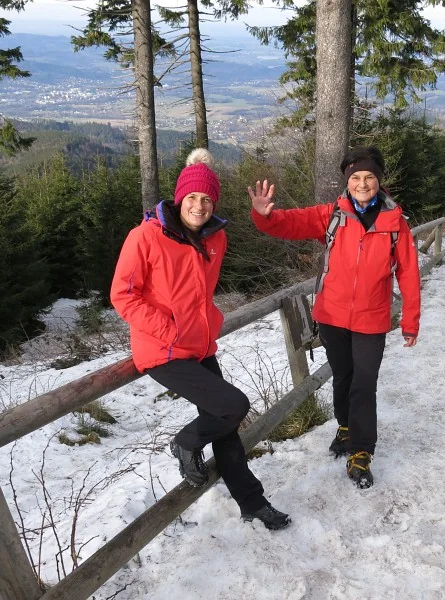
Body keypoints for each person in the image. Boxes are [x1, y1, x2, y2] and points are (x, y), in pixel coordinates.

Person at [111, 149, 291, 530]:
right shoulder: (146, 236)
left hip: (198, 344)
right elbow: (123, 295)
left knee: (225, 425)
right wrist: (169, 330)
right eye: (192, 197)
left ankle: (252, 502)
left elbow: (199, 294)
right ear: (179, 198)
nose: (199, 206)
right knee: (234, 406)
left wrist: (207, 322)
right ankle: (186, 442)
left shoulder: (215, 238)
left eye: (207, 199)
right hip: (163, 349)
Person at [248, 146, 421, 489]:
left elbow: (409, 273)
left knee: (364, 382)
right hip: (332, 316)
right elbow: (289, 224)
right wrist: (264, 216)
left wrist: (410, 320)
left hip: (372, 319)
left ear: (379, 181)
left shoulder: (395, 223)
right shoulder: (332, 215)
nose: (362, 184)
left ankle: (361, 450)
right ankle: (345, 426)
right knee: (343, 377)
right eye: (356, 177)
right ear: (347, 181)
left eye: (369, 177)